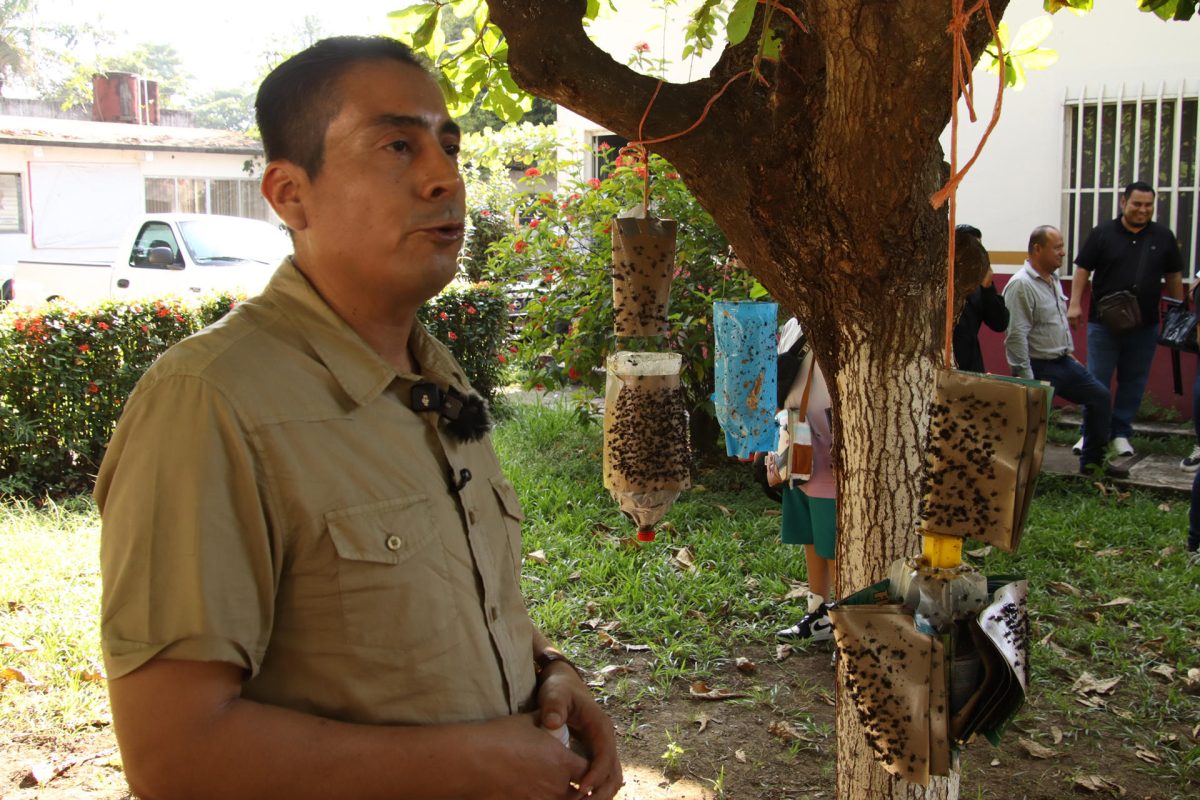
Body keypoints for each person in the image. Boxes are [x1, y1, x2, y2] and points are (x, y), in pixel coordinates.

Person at [95, 36, 622, 800]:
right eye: (397, 145)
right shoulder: (210, 401)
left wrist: (551, 673)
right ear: (288, 194)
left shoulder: (431, 374)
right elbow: (174, 754)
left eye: (448, 146)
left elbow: (443, 598)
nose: (446, 178)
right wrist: (473, 763)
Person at [1067, 181, 1184, 457]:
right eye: (1137, 204)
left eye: (1148, 205)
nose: (1143, 210)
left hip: (1145, 325)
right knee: (1097, 380)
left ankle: (1120, 434)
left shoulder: (1163, 236)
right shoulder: (1102, 233)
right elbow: (1083, 268)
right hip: (1102, 323)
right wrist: (1074, 304)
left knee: (1134, 380)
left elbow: (1174, 275)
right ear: (1123, 203)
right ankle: (1090, 433)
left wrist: (1178, 312)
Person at [1004, 226, 1128, 479]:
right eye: (1057, 247)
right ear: (1037, 249)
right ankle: (1015, 474)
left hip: (1061, 362)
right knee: (1030, 424)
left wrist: (1068, 352)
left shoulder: (1053, 279)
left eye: (1062, 246)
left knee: (1099, 398)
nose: (1063, 253)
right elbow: (1016, 337)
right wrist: (1027, 380)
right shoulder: (1021, 285)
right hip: (1037, 366)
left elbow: (1055, 321)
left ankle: (1093, 463)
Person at [767, 319, 837, 643]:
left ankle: (843, 623)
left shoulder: (841, 320)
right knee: (811, 537)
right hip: (797, 443)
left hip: (831, 447)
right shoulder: (793, 325)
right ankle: (818, 611)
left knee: (833, 543)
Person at [952, 224, 1009, 374]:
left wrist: (988, 287)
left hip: (972, 366)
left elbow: (1000, 323)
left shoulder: (980, 284)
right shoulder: (941, 281)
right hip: (947, 365)